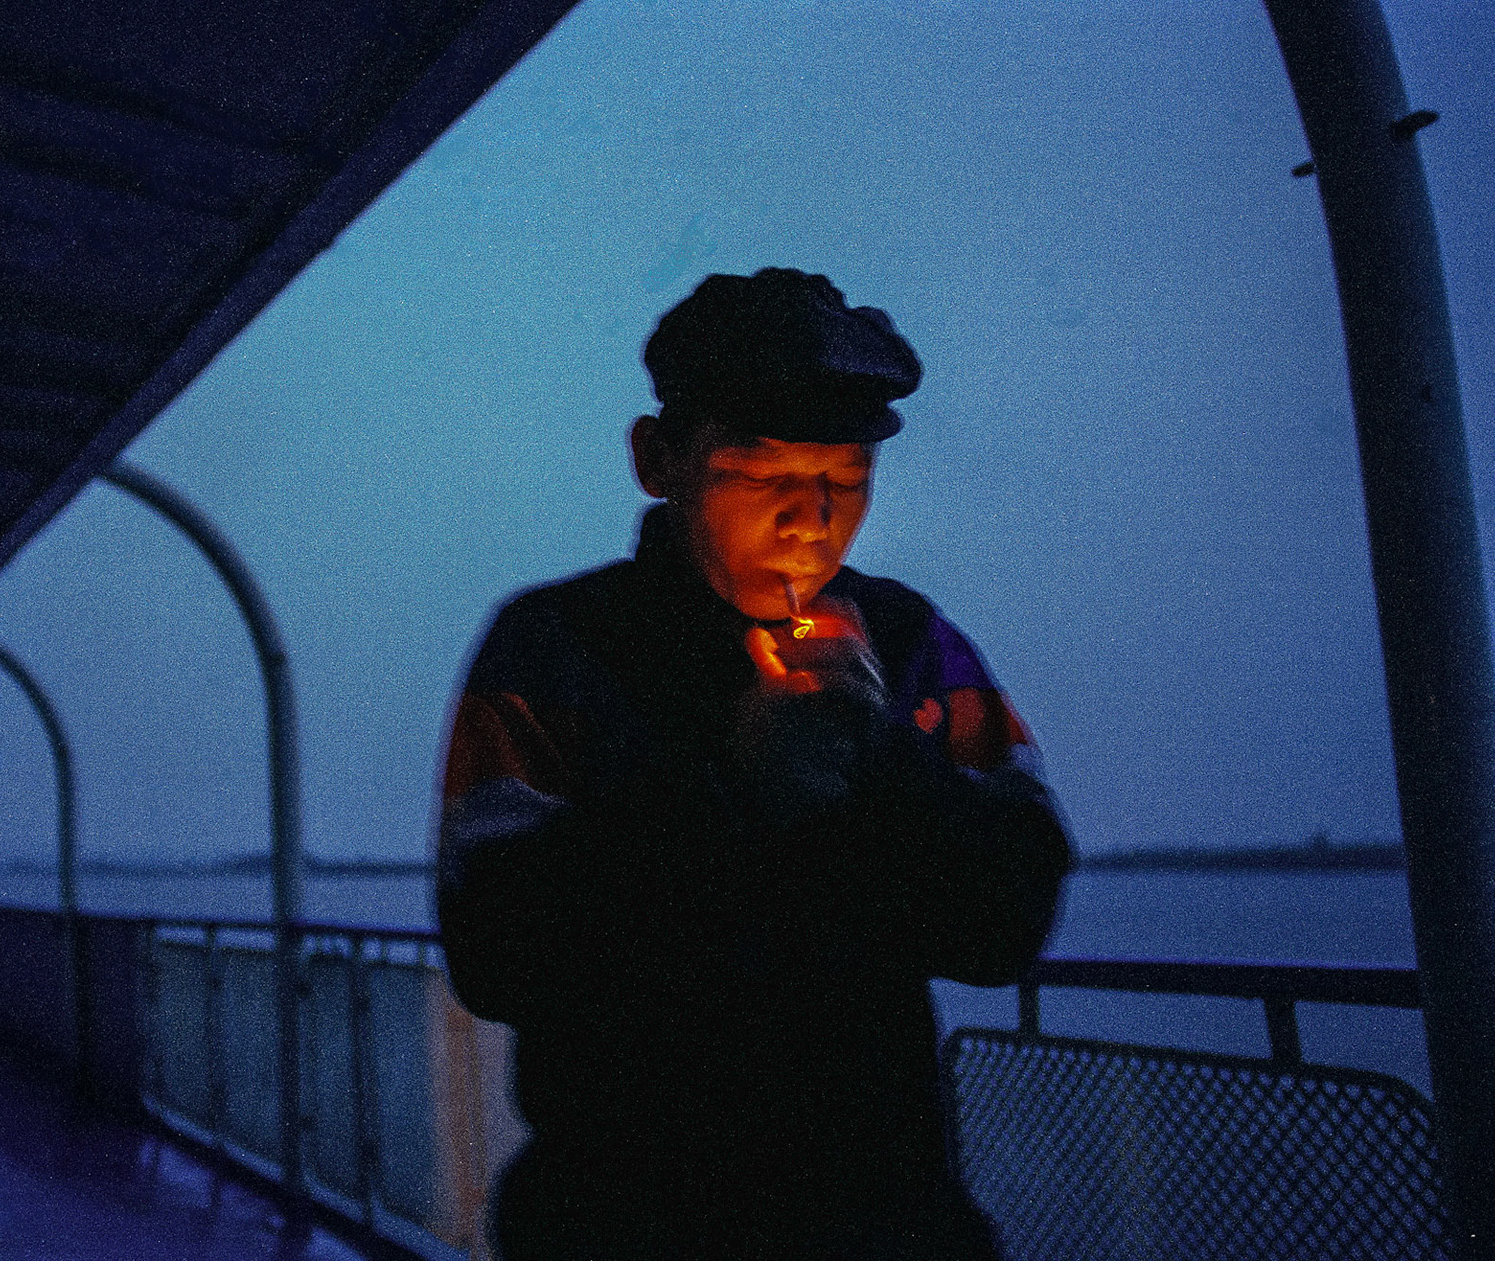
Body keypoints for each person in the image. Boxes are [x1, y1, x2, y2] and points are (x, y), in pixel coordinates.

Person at [435, 268, 1073, 1260]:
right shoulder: (553, 645)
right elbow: (494, 951)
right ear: (659, 458)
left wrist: (886, 764)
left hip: (885, 1225)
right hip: (620, 1226)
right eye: (760, 471)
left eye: (846, 477)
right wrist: (729, 785)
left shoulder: (908, 644)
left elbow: (1008, 925)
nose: (808, 517)